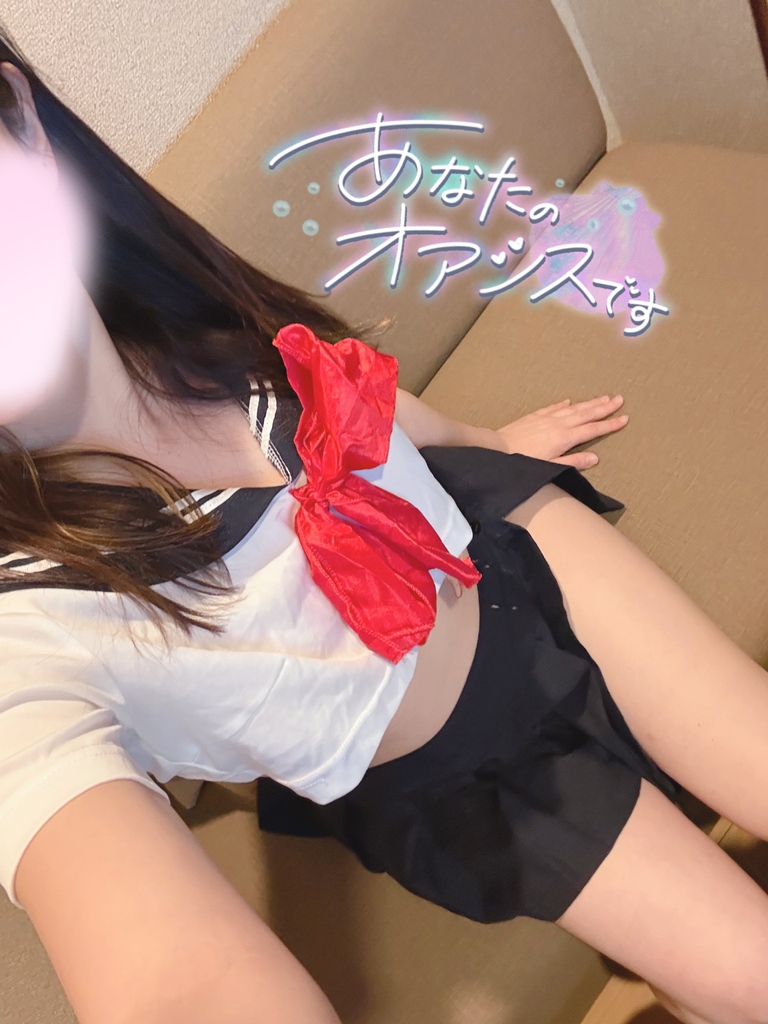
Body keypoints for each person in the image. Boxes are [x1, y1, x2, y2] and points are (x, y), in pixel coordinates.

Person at [1, 27, 768, 1024]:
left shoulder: (189, 327)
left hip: (514, 552)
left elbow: (360, 409)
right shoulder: (30, 632)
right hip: (474, 775)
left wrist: (491, 440)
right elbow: (176, 982)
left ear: (19, 123)